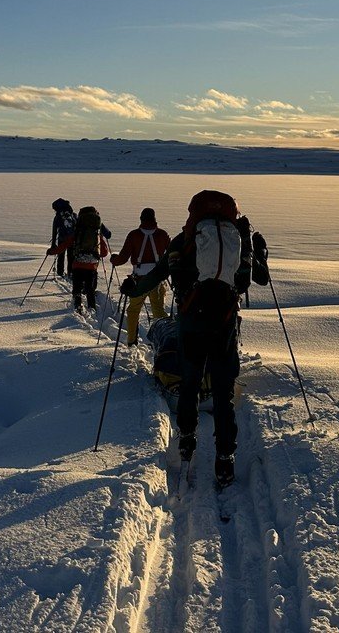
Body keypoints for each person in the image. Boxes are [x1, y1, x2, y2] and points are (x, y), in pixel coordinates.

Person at [121, 189, 269, 486]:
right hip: (225, 325)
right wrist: (259, 251)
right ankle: (225, 459)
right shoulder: (237, 241)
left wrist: (132, 288)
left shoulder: (183, 241)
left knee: (189, 383)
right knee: (224, 393)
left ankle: (187, 440)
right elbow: (261, 279)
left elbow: (152, 279)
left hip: (190, 324)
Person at [110, 207, 171, 346]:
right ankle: (164, 341)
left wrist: (114, 260)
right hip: (157, 280)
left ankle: (132, 340)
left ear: (141, 219)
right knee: (158, 311)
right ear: (155, 219)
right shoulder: (162, 235)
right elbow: (171, 254)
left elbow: (123, 258)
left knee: (133, 310)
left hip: (139, 280)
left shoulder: (134, 235)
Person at [48, 205, 109, 314]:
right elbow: (104, 253)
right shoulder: (96, 234)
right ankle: (92, 307)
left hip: (78, 264)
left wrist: (52, 251)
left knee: (77, 287)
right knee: (90, 288)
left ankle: (78, 305)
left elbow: (64, 245)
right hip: (92, 265)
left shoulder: (77, 233)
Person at [50, 199, 77, 281]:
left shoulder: (57, 217)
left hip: (62, 239)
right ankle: (71, 273)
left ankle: (60, 272)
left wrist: (53, 244)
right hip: (72, 240)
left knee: (60, 256)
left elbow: (54, 231)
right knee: (71, 257)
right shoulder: (73, 215)